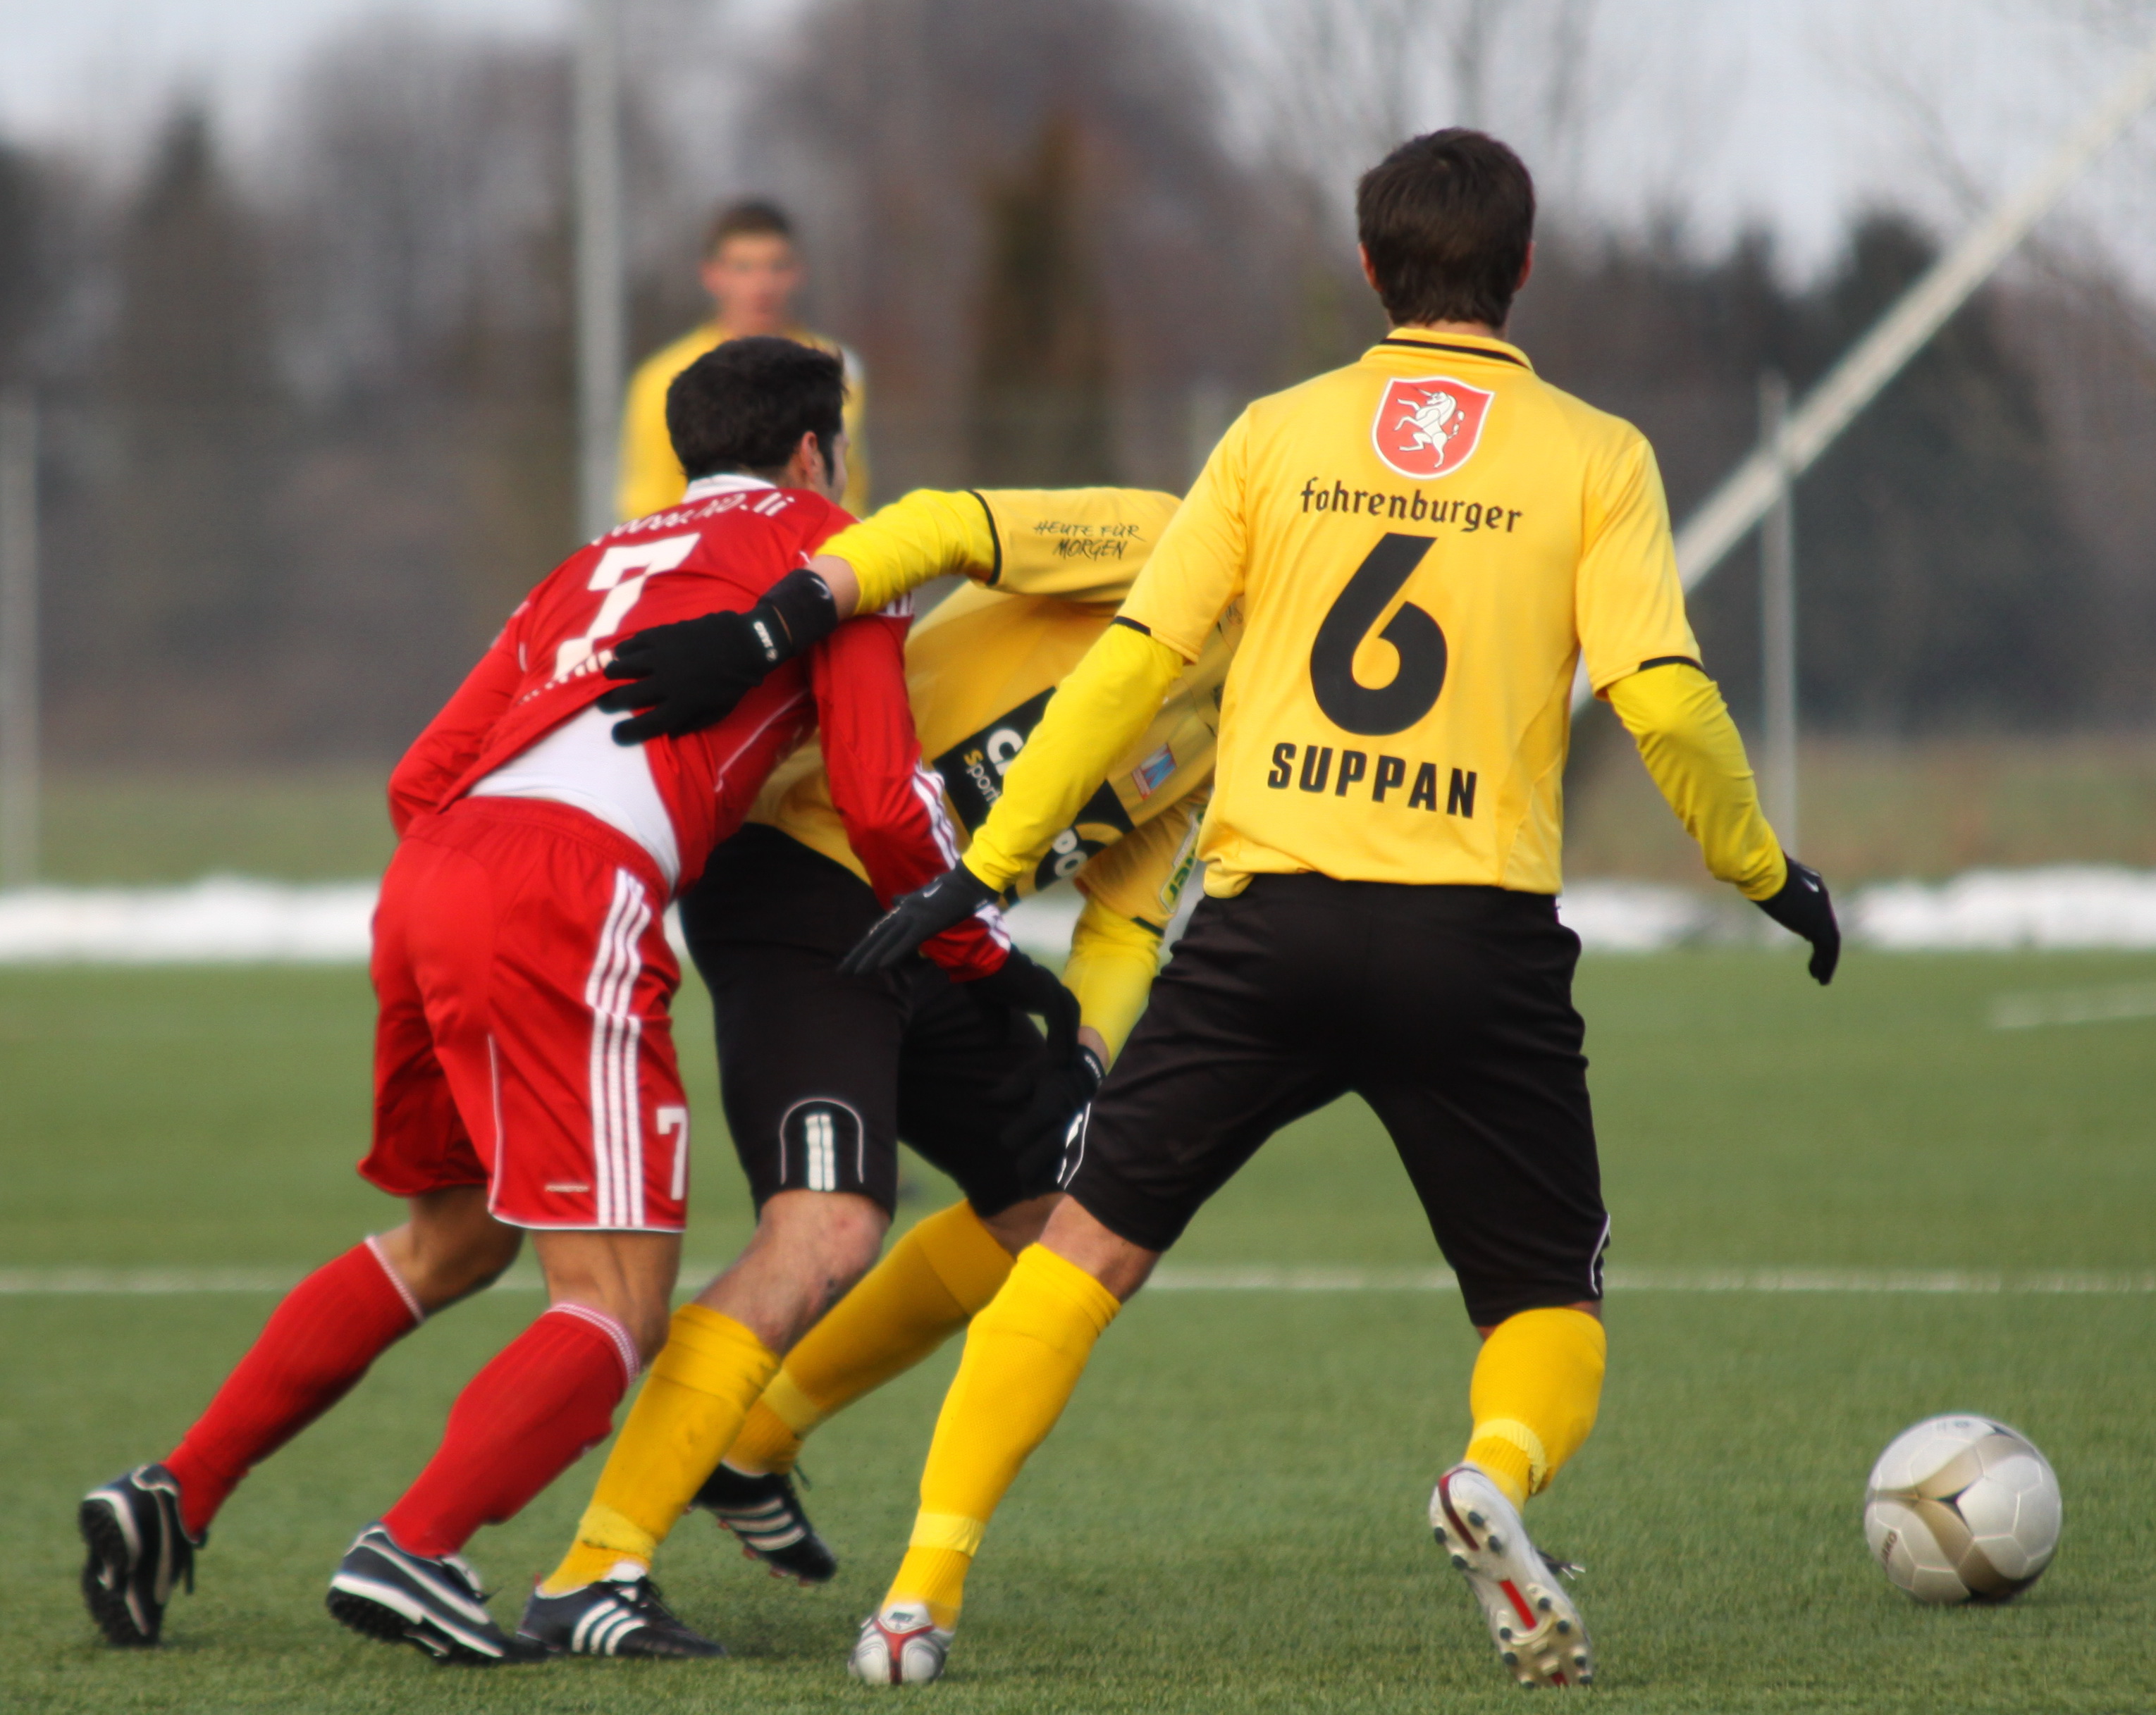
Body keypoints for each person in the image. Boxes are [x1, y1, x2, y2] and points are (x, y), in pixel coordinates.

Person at [816, 130, 1842, 1688]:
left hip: (1266, 928)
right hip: (1470, 944)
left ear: (1367, 267)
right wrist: (1758, 867)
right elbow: (1658, 692)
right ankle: (1490, 1471)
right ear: (1523, 264)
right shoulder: (1595, 453)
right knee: (1545, 1304)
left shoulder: (1272, 434)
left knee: (1078, 1256)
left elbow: (1133, 664)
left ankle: (913, 1597)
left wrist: (986, 861)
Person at [75, 338, 1063, 1664]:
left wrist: (481, 894)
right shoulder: (836, 549)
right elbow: (883, 806)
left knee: (453, 1238)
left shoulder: (589, 561)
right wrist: (988, 959)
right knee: (616, 1301)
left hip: (432, 874)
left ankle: (176, 1489)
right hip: (563, 893)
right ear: (814, 450)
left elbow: (422, 771)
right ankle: (417, 1545)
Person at [524, 484, 1223, 1656]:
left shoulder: (1250, 719)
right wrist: (766, 631)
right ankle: (591, 1571)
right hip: (805, 868)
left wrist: (1084, 1061)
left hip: (939, 933)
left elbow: (1125, 920)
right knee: (826, 1228)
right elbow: (937, 524)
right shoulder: (1171, 539)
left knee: (1065, 1215)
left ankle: (753, 1444)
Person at [617, 199, 870, 519]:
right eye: (743, 268)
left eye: (777, 266)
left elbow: (851, 487)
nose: (762, 285)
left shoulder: (837, 368)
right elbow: (648, 504)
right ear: (711, 275)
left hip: (819, 544)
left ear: (799, 272)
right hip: (711, 545)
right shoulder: (663, 377)